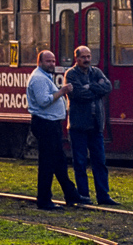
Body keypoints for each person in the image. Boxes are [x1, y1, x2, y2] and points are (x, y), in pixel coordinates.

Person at [27, 49, 80, 210]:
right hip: (45, 124)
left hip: (51, 123)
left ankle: (71, 194)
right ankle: (44, 200)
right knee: (48, 163)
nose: (52, 64)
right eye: (48, 61)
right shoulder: (39, 78)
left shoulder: (45, 77)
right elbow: (43, 101)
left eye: (53, 61)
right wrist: (62, 92)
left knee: (59, 161)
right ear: (40, 62)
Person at [65, 45, 118, 205]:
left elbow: (108, 87)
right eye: (83, 57)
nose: (87, 60)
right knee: (80, 162)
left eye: (88, 57)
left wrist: (91, 87)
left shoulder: (96, 72)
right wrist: (97, 90)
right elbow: (78, 94)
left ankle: (103, 195)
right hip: (78, 126)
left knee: (100, 161)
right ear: (77, 58)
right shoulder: (71, 74)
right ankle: (84, 195)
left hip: (96, 125)